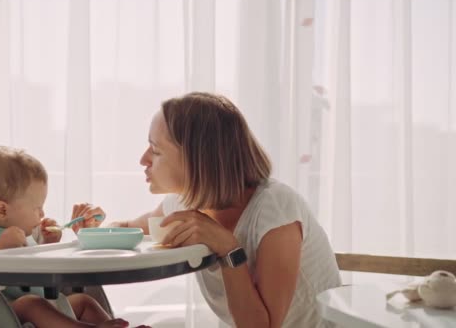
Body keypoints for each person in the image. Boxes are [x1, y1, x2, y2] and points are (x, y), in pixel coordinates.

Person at [109, 92, 341, 327]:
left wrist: (229, 249)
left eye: (156, 150)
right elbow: (128, 228)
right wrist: (93, 227)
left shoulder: (275, 209)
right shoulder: (182, 205)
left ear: (197, 158)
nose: (143, 160)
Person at [0, 146, 137, 328]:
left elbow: (39, 260)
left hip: (45, 303)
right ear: (2, 210)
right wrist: (0, 248)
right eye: (37, 207)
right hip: (7, 311)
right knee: (30, 303)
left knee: (83, 301)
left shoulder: (28, 234)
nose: (42, 213)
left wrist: (49, 241)